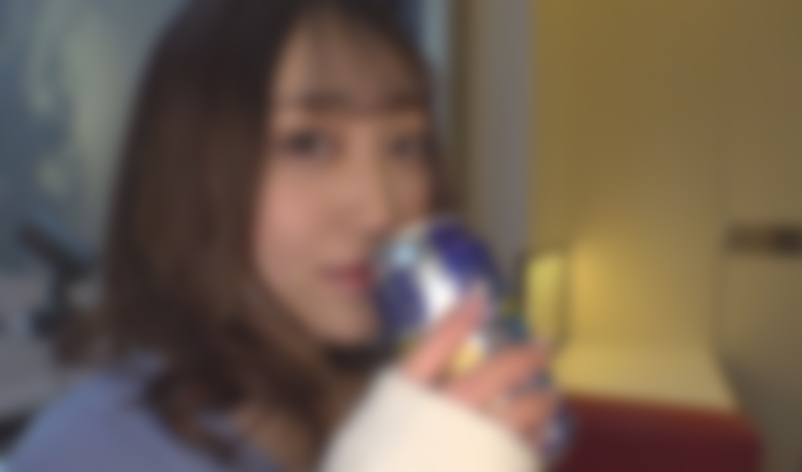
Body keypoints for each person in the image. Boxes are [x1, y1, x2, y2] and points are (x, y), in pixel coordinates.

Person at [7, 1, 561, 471]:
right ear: (190, 172)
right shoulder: (90, 451)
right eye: (307, 144)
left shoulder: (407, 405)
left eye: (405, 145)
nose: (381, 210)